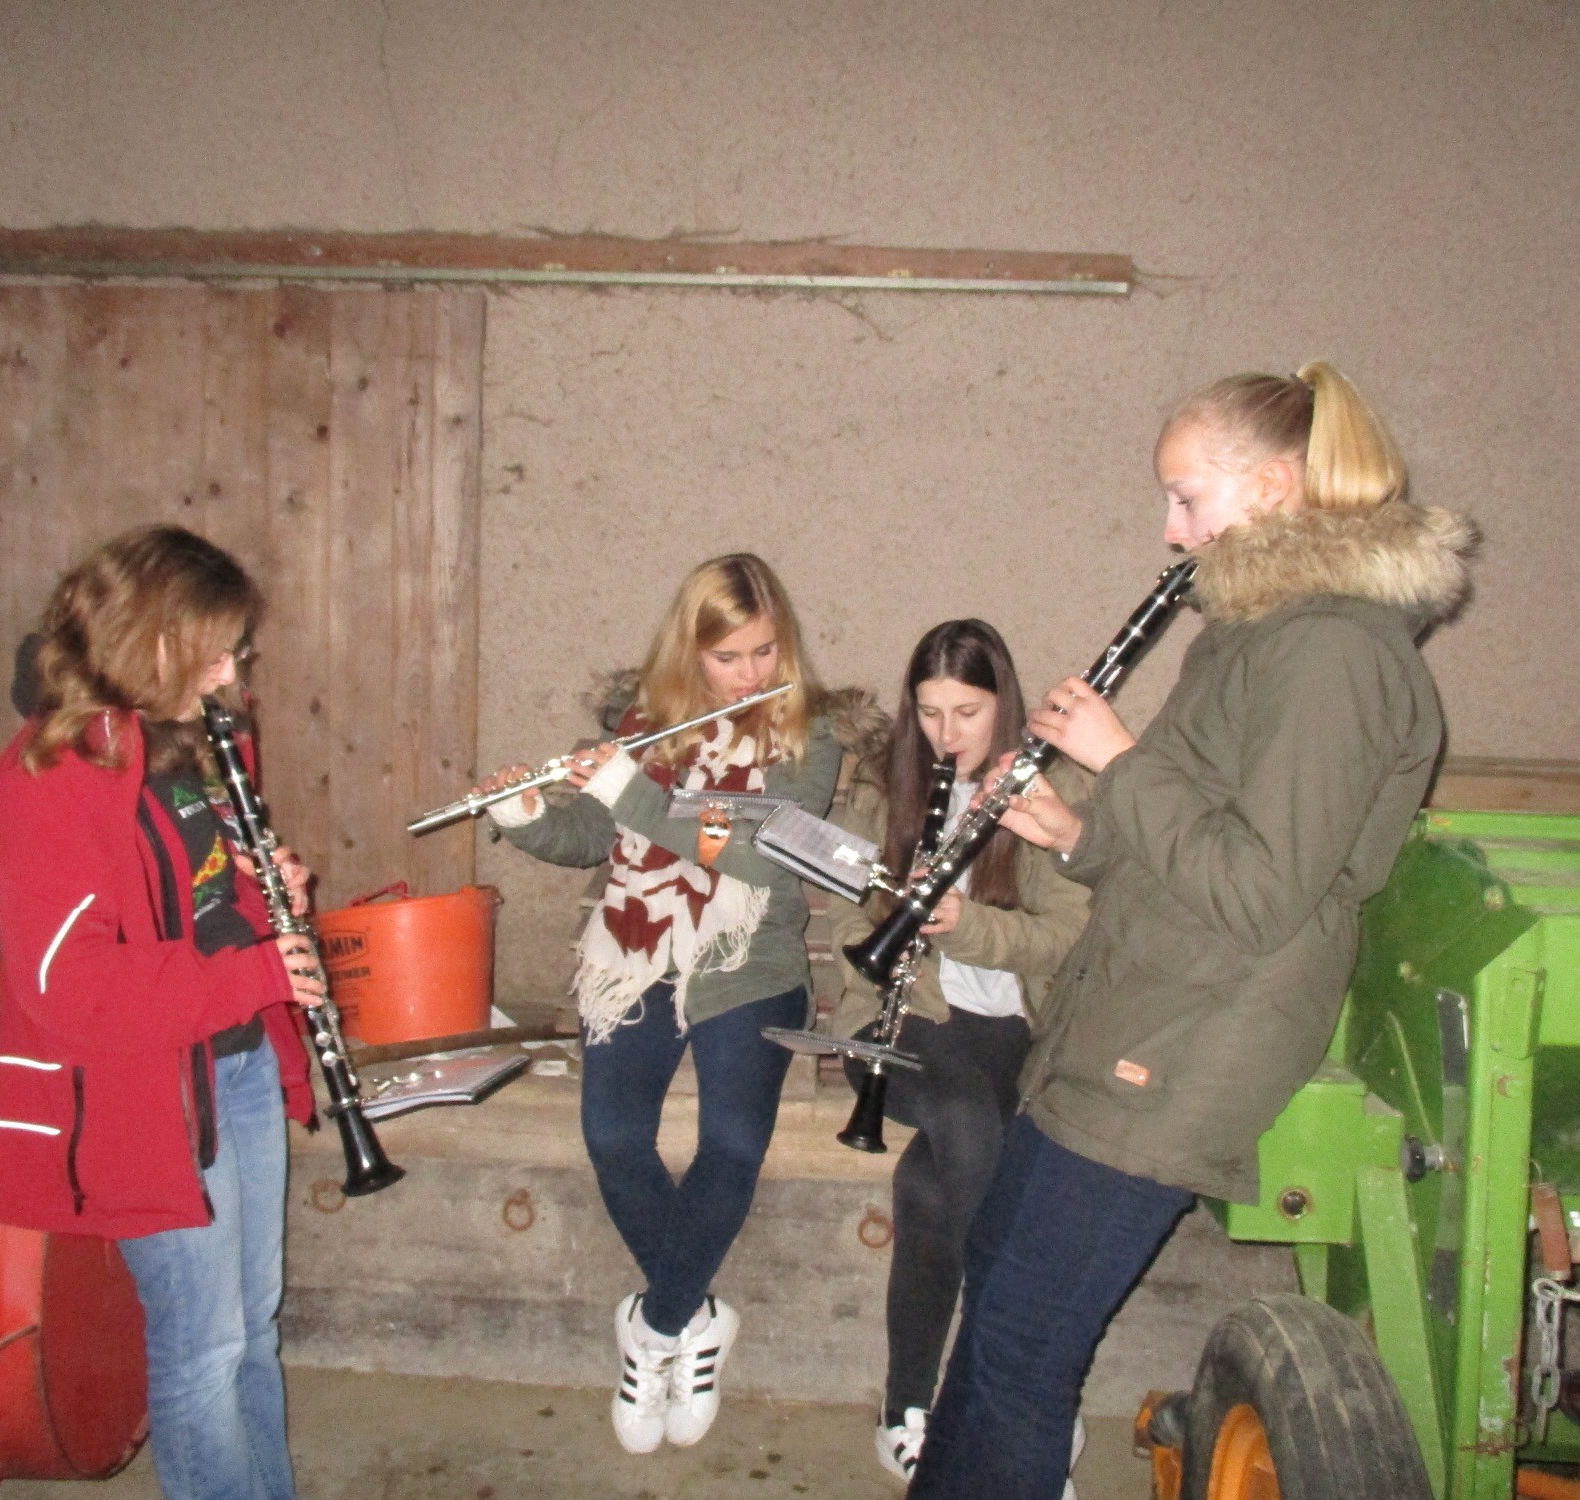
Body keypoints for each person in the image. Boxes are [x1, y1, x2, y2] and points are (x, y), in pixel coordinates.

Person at [908, 364, 1475, 1499]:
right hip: (1129, 1010)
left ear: (1270, 488)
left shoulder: (1335, 653)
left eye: (1185, 498)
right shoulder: (1258, 634)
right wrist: (1076, 829)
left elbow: (1262, 891)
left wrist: (1118, 759)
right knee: (995, 1286)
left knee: (1022, 1353)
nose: (1170, 530)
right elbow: (1194, 847)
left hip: (1191, 1039)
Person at [0, 525, 325, 1500]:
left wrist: (268, 892)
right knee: (202, 1349)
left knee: (252, 1328)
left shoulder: (198, 740)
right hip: (148, 1097)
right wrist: (253, 974)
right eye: (213, 651)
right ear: (148, 639)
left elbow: (202, 903)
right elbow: (73, 986)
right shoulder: (49, 777)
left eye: (235, 652)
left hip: (238, 1063)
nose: (230, 674)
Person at [478, 553, 842, 1455]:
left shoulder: (810, 740)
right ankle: (695, 1318)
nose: (751, 675)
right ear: (690, 652)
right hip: (637, 956)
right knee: (612, 1136)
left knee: (733, 1143)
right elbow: (592, 838)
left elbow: (755, 854)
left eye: (766, 652)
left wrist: (636, 795)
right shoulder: (645, 726)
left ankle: (654, 1327)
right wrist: (526, 815)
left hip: (747, 961)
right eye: (728, 658)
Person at [826, 620, 1090, 1486]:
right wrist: (887, 915)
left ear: (1002, 704)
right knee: (965, 1117)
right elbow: (845, 921)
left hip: (1013, 1031)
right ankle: (1025, 1396)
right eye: (930, 712)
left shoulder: (1050, 788)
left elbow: (1069, 939)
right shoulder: (884, 786)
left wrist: (967, 925)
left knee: (930, 1186)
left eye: (967, 713)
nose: (947, 734)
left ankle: (912, 1404)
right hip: (900, 1020)